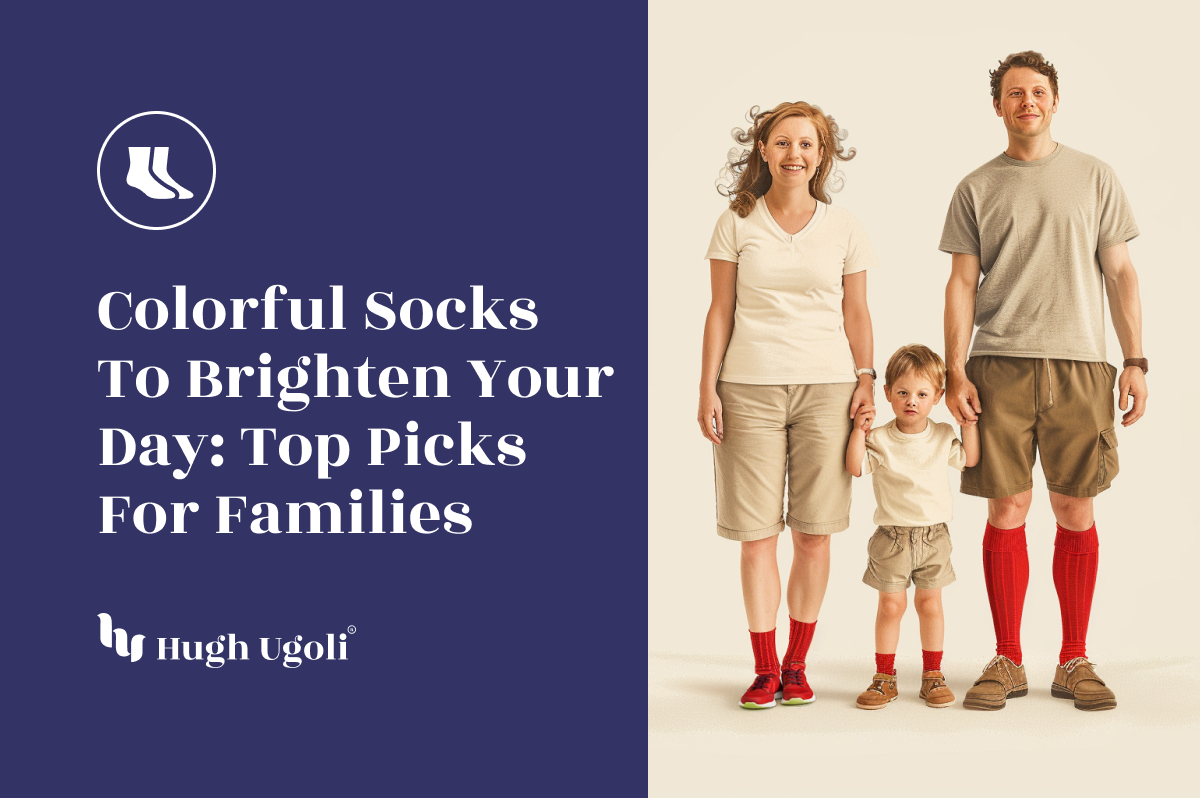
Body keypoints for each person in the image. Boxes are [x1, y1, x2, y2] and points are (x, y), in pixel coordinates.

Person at [940, 51, 1147, 711]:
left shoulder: (1094, 177)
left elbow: (1121, 275)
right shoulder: (976, 187)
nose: (1026, 102)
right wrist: (952, 369)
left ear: (1055, 101)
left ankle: (1074, 659)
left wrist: (1136, 359)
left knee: (1074, 508)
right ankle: (1006, 659)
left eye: (1037, 92)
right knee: (1007, 509)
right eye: (1013, 93)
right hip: (997, 363)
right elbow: (961, 284)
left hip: (1084, 363)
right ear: (997, 106)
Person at [699, 101, 878, 709]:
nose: (793, 154)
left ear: (822, 155)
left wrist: (866, 379)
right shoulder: (736, 221)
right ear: (764, 151)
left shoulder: (845, 227)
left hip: (828, 388)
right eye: (782, 142)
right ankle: (764, 666)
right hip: (747, 388)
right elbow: (719, 310)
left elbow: (856, 311)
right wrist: (707, 389)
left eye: (806, 144)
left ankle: (798, 665)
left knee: (813, 534)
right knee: (756, 535)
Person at [846, 345, 979, 710]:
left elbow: (970, 459)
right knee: (891, 606)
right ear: (887, 392)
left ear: (937, 396)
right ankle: (884, 678)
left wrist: (969, 426)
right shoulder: (881, 438)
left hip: (934, 537)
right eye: (902, 392)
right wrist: (859, 430)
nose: (911, 401)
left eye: (922, 394)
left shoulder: (940, 434)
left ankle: (932, 675)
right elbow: (856, 467)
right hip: (892, 539)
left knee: (930, 604)